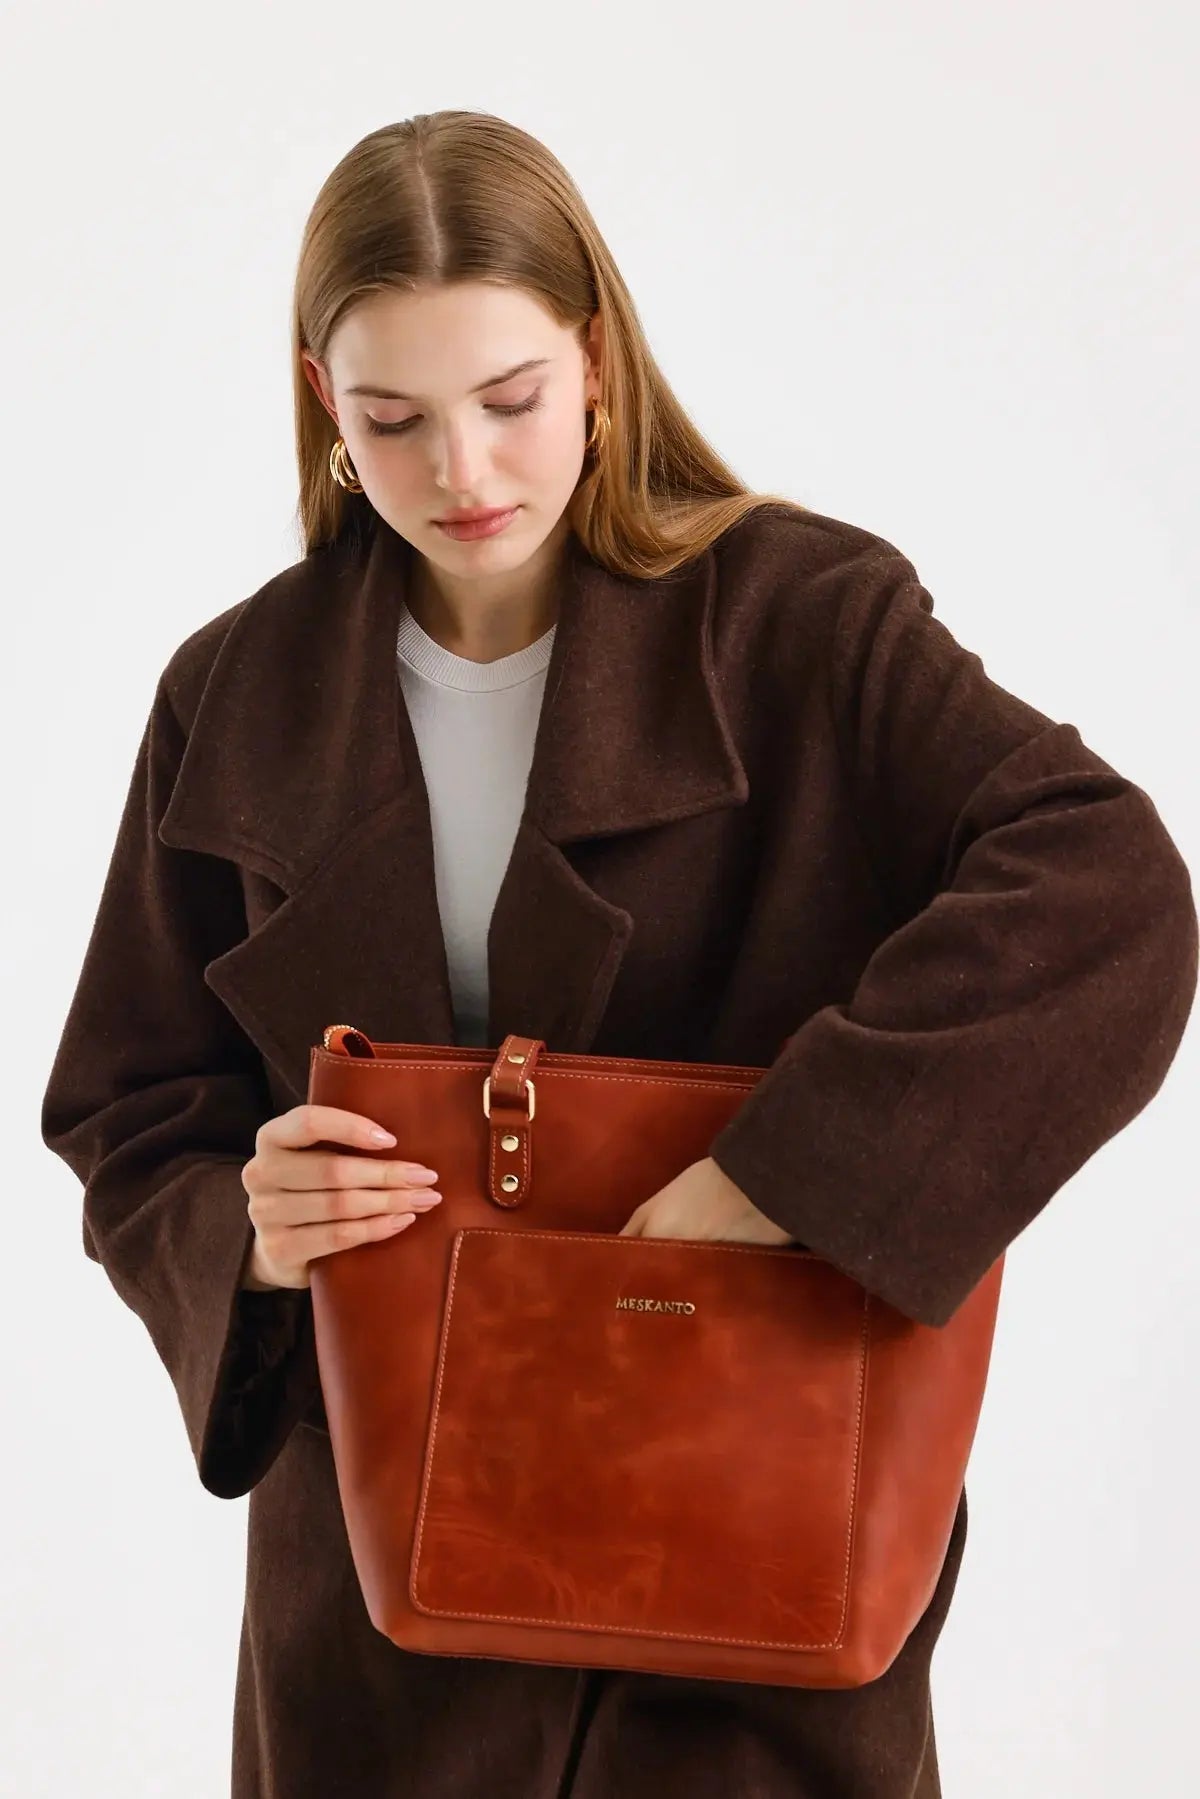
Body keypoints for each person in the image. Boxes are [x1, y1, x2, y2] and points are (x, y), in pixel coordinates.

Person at [40, 109, 1198, 1798]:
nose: (465, 472)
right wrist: (250, 1237)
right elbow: (133, 1107)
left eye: (509, 398)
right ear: (321, 403)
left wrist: (789, 1172)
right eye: (393, 418)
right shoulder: (234, 695)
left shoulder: (802, 622)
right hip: (376, 1609)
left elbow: (1106, 889)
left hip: (746, 1544)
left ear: (595, 358)